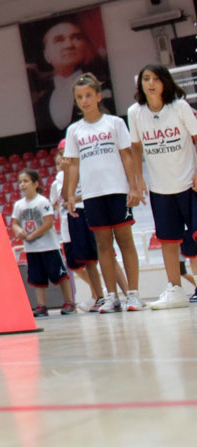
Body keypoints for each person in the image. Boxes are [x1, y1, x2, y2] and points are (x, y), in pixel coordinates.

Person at [61, 73, 143, 313]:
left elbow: (127, 156)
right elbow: (73, 164)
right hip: (92, 195)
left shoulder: (115, 123)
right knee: (103, 245)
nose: (84, 100)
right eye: (79, 97)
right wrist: (69, 196)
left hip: (117, 191)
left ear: (98, 96)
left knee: (125, 241)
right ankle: (111, 296)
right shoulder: (74, 130)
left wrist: (134, 186)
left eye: (88, 95)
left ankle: (133, 294)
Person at [127, 64, 197, 310]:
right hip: (160, 188)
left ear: (165, 82)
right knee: (168, 240)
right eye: (146, 78)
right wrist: (138, 180)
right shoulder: (135, 112)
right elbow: (135, 147)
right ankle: (175, 290)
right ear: (141, 84)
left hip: (189, 183)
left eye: (156, 78)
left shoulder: (179, 107)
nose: (151, 83)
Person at [27, 18, 115, 138]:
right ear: (46, 55)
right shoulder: (40, 105)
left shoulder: (104, 88)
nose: (69, 45)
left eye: (76, 38)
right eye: (59, 40)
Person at [52, 143, 108, 310]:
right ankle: (96, 293)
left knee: (94, 258)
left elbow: (70, 198)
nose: (60, 163)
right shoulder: (57, 182)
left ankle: (99, 293)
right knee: (76, 264)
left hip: (82, 216)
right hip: (67, 225)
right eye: (57, 161)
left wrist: (70, 199)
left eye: (62, 157)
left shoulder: (80, 171)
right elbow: (57, 202)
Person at [11, 169, 74, 316]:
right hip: (32, 249)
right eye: (20, 182)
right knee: (37, 278)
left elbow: (49, 223)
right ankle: (41, 306)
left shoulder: (43, 202)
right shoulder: (19, 205)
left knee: (60, 275)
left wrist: (32, 235)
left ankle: (69, 301)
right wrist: (18, 231)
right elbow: (14, 223)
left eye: (25, 181)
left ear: (35, 183)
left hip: (49, 247)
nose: (22, 184)